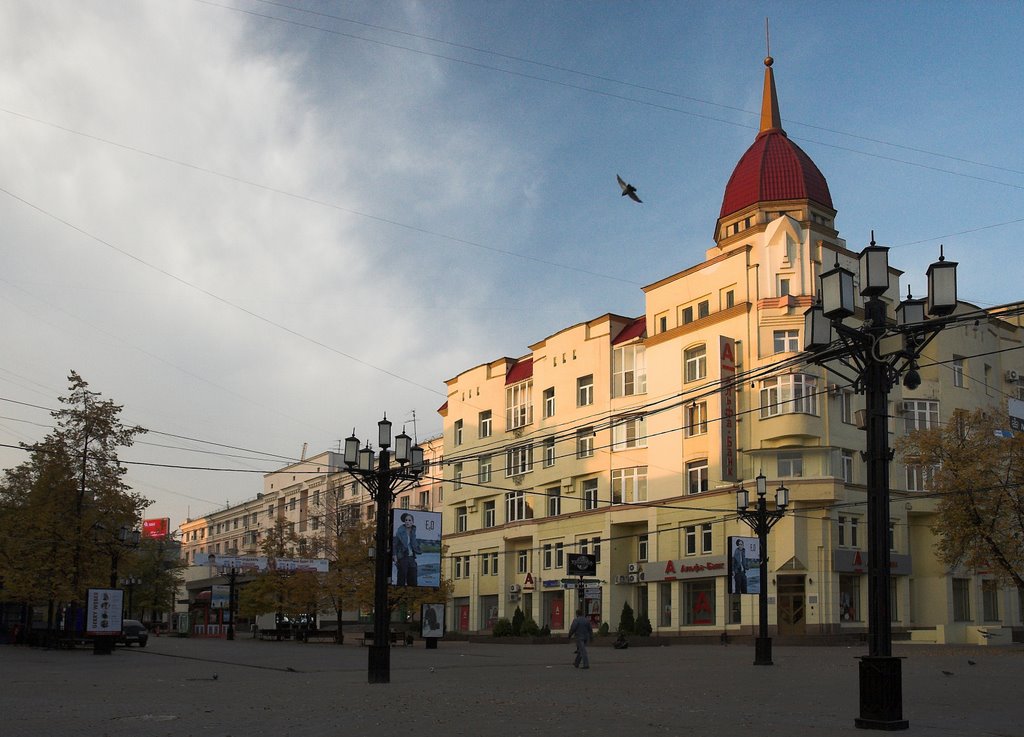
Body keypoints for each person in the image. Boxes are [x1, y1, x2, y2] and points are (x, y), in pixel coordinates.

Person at [393, 512, 421, 586]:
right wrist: (395, 558)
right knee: (401, 580)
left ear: (412, 521)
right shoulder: (400, 532)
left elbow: (414, 544)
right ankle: (399, 594)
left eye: (409, 520)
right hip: (403, 558)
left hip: (411, 558)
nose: (407, 522)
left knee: (413, 580)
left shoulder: (413, 531)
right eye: (406, 520)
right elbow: (394, 546)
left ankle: (412, 595)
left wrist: (418, 549)